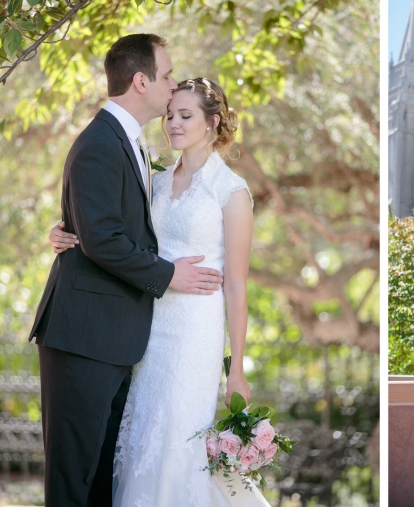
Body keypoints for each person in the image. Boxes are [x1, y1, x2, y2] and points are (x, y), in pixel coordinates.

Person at [50, 78, 269, 505]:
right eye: (170, 115)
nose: (173, 124)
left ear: (213, 122)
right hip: (146, 329)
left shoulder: (232, 192)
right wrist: (62, 230)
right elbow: (113, 233)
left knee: (178, 440)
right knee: (139, 438)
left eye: (185, 116)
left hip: (195, 334)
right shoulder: (156, 181)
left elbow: (238, 286)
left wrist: (237, 368)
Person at [30, 34, 224, 507]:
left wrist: (69, 228)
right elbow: (103, 239)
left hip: (115, 340)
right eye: (166, 74)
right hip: (83, 338)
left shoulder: (131, 145)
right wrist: (168, 274)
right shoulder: (100, 141)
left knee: (99, 480)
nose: (173, 82)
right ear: (141, 81)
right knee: (72, 479)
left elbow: (106, 224)